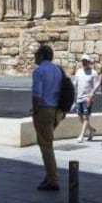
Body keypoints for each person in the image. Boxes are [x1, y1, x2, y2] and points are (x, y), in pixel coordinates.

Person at [31, 44, 64, 191]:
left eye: (36, 54)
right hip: (56, 111)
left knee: (46, 146)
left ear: (42, 55)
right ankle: (51, 175)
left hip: (44, 110)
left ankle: (52, 179)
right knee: (48, 144)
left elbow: (37, 94)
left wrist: (35, 110)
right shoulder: (57, 69)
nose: (34, 56)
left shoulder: (39, 71)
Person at [73, 54, 98, 143]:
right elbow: (75, 84)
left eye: (86, 61)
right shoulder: (78, 72)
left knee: (85, 117)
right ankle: (91, 130)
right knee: (80, 117)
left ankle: (81, 135)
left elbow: (96, 86)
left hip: (87, 98)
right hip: (79, 98)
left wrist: (92, 96)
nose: (84, 62)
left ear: (89, 62)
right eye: (83, 61)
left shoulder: (93, 73)